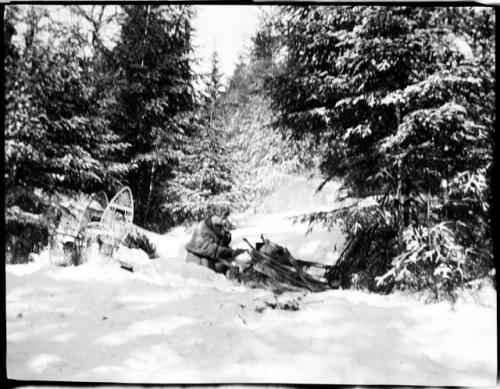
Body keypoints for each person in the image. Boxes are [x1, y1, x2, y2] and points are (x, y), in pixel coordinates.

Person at [185, 207, 245, 274]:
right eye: (222, 216)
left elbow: (222, 243)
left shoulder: (216, 226)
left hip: (209, 258)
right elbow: (211, 249)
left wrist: (226, 235)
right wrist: (230, 253)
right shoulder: (201, 228)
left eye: (225, 216)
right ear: (213, 216)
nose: (224, 218)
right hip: (197, 261)